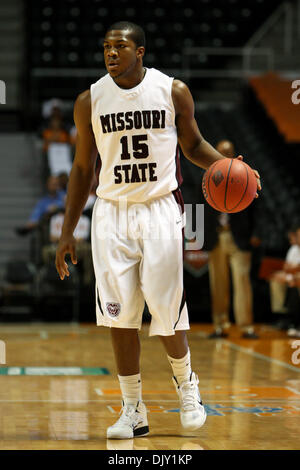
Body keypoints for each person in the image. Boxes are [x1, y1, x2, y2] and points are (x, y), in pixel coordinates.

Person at [55, 21, 261, 439]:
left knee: (167, 309)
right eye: (106, 47)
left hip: (160, 208)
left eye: (121, 47)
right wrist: (67, 230)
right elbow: (81, 168)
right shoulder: (89, 100)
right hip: (111, 212)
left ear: (141, 51)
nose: (112, 54)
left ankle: (188, 387)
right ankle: (133, 408)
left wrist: (229, 169)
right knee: (120, 316)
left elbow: (193, 144)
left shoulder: (172, 91)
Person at [200, 140, 262, 339]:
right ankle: (220, 325)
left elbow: (257, 209)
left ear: (235, 154)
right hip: (216, 236)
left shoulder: (245, 175)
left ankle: (246, 326)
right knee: (217, 284)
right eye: (221, 152)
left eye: (228, 152)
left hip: (239, 237)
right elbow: (200, 210)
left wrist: (256, 233)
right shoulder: (208, 177)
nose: (225, 155)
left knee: (242, 282)